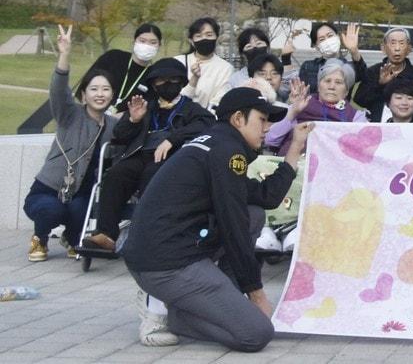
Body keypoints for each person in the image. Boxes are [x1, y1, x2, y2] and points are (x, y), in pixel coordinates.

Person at [123, 88, 312, 351]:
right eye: (262, 119)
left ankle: (214, 301)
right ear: (237, 119)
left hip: (164, 253)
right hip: (166, 264)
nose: (268, 128)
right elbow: (232, 227)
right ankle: (175, 314)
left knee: (254, 214)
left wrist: (295, 148)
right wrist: (256, 293)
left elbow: (264, 197)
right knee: (256, 333)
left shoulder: (217, 143)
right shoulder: (227, 153)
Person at [85, 58, 216, 252]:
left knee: (152, 176)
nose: (167, 85)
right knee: (116, 174)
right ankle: (106, 234)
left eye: (173, 80)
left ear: (181, 82)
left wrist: (173, 139)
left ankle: (146, 235)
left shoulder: (190, 108)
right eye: (161, 81)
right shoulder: (147, 107)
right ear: (154, 84)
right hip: (140, 155)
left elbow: (208, 124)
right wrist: (133, 119)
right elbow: (119, 136)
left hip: (173, 159)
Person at [26, 25, 116, 262]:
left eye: (106, 89)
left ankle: (72, 237)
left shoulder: (114, 125)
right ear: (83, 94)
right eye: (93, 89)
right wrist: (64, 54)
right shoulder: (70, 114)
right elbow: (58, 89)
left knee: (80, 209)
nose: (100, 94)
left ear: (112, 95)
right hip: (49, 189)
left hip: (82, 194)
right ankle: (40, 238)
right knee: (51, 209)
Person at [352, 27, 413, 122]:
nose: (397, 48)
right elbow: (360, 100)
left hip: (409, 127)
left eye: (402, 43)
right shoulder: (374, 71)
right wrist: (379, 84)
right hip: (378, 127)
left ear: (409, 49)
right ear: (383, 48)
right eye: (393, 43)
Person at [87, 23, 163, 110]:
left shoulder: (154, 75)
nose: (147, 46)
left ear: (159, 45)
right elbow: (86, 85)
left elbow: (146, 107)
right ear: (134, 41)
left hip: (125, 121)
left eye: (153, 42)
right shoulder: (113, 57)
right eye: (142, 41)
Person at [290, 21, 369, 92]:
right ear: (316, 46)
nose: (327, 41)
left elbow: (365, 76)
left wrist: (354, 51)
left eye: (330, 36)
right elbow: (301, 92)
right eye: (322, 39)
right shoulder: (308, 66)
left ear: (337, 37)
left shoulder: (349, 67)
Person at [180, 17, 233, 109]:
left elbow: (220, 100)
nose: (204, 38)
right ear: (191, 41)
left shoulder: (226, 68)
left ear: (217, 38)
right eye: (198, 36)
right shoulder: (179, 62)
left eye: (209, 35)